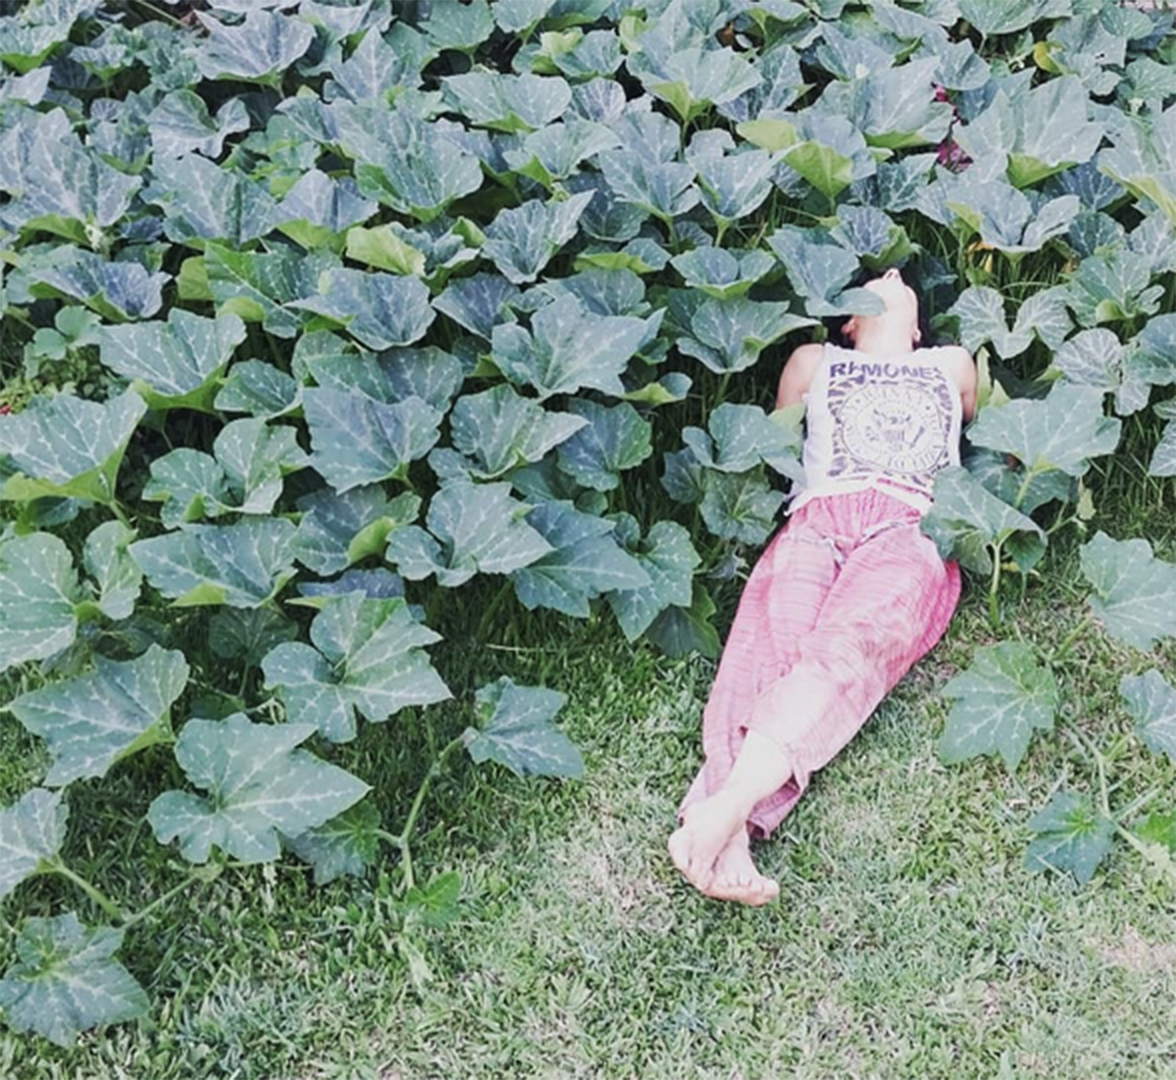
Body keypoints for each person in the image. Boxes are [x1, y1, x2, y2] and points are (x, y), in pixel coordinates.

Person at [669, 267, 977, 906]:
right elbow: (777, 436)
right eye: (876, 278)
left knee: (849, 648)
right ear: (849, 321)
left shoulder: (949, 364)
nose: (893, 273)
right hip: (817, 517)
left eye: (901, 279)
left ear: (918, 330)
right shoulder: (814, 360)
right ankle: (731, 831)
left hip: (910, 524)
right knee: (766, 651)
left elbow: (972, 415)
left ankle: (725, 805)